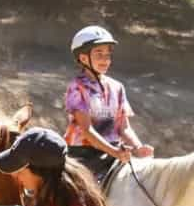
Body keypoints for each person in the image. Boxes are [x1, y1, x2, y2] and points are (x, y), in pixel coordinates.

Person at [65, 25, 154, 180]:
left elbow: (123, 127)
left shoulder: (117, 87)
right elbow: (86, 130)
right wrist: (114, 152)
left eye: (108, 54)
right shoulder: (77, 88)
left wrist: (138, 148)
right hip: (83, 155)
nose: (105, 59)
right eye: (99, 54)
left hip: (113, 152)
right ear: (83, 58)